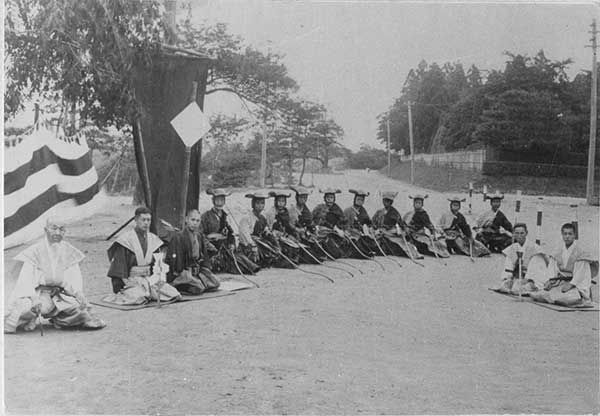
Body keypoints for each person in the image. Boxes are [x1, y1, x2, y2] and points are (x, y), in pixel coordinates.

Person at [5, 218, 106, 333]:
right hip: (38, 294)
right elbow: (25, 281)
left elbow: (73, 279)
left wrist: (79, 294)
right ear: (46, 230)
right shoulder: (34, 251)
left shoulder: (69, 251)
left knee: (82, 311)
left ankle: (59, 319)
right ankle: (30, 319)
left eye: (62, 229)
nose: (58, 233)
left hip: (60, 295)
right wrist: (34, 299)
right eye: (54, 228)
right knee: (24, 309)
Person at [106, 207, 181, 305]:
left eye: (148, 220)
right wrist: (126, 283)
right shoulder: (125, 240)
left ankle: (148, 292)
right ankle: (138, 293)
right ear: (136, 220)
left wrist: (157, 278)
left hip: (149, 279)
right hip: (131, 280)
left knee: (174, 294)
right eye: (143, 220)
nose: (146, 223)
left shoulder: (153, 239)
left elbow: (157, 265)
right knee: (140, 297)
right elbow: (119, 266)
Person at [530, 223, 598, 306]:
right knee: (541, 294)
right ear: (562, 235)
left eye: (570, 234)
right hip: (561, 281)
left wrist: (571, 284)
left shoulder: (580, 253)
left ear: (574, 235)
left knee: (567, 298)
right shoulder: (557, 251)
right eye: (565, 234)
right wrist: (550, 281)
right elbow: (552, 269)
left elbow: (580, 274)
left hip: (575, 284)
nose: (567, 236)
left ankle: (579, 298)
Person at [200, 188, 259, 275]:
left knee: (236, 257)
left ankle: (252, 268)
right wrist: (209, 245)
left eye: (222, 200)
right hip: (211, 248)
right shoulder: (205, 216)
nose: (220, 203)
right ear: (213, 201)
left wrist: (232, 244)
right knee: (227, 262)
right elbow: (200, 235)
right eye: (217, 200)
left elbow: (231, 233)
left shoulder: (224, 216)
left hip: (223, 246)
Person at [165, 209, 220, 295]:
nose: (195, 223)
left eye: (198, 221)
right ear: (186, 220)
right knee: (199, 287)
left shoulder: (199, 235)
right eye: (193, 220)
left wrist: (206, 269)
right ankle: (180, 285)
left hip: (197, 270)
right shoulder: (178, 237)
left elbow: (204, 255)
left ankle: (195, 282)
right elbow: (175, 262)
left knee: (216, 283)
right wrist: (181, 272)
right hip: (184, 271)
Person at [491, 223, 546, 295]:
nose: (519, 236)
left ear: (526, 233)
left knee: (517, 289)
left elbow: (539, 268)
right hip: (519, 275)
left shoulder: (535, 248)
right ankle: (509, 281)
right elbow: (509, 265)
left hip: (533, 277)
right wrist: (508, 278)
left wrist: (529, 279)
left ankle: (532, 286)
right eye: (516, 233)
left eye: (522, 233)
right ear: (513, 234)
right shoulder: (512, 247)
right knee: (510, 285)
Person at [371, 191, 422, 259]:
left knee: (401, 244)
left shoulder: (395, 213)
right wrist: (372, 229)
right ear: (383, 201)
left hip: (391, 234)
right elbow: (373, 223)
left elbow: (401, 224)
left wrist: (404, 231)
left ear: (391, 202)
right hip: (380, 234)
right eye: (385, 200)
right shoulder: (379, 212)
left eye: (388, 201)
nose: (386, 203)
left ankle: (414, 254)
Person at [238, 191, 279, 268]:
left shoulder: (262, 217)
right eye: (258, 203)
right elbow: (244, 234)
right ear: (253, 204)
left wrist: (269, 233)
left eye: (262, 203)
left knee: (273, 251)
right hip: (249, 244)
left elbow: (265, 229)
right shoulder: (246, 218)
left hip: (259, 241)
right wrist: (252, 245)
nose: (260, 206)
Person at [289, 186, 326, 264]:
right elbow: (290, 224)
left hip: (305, 233)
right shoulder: (292, 209)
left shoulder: (306, 210)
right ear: (297, 198)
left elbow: (310, 222)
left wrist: (313, 230)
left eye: (305, 198)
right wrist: (297, 230)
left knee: (315, 242)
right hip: (294, 233)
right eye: (301, 197)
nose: (303, 199)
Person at [265, 190, 302, 267]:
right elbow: (269, 226)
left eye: (283, 201)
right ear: (275, 201)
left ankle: (293, 259)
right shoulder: (271, 212)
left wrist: (293, 232)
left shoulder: (286, 211)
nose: (281, 203)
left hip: (284, 233)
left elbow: (288, 224)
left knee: (295, 242)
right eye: (279, 201)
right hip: (274, 234)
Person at [312, 188, 348, 258]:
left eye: (331, 197)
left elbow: (344, 221)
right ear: (324, 199)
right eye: (327, 197)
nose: (329, 199)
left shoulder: (337, 209)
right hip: (320, 231)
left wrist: (340, 229)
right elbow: (312, 217)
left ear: (334, 199)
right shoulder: (319, 207)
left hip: (334, 232)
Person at [343, 189, 378, 258]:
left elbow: (369, 222)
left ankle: (368, 252)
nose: (360, 201)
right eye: (358, 199)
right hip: (349, 233)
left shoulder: (363, 211)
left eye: (362, 200)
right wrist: (345, 231)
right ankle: (365, 254)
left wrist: (370, 228)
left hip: (358, 234)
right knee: (355, 244)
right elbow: (342, 223)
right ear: (354, 199)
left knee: (370, 242)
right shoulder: (348, 210)